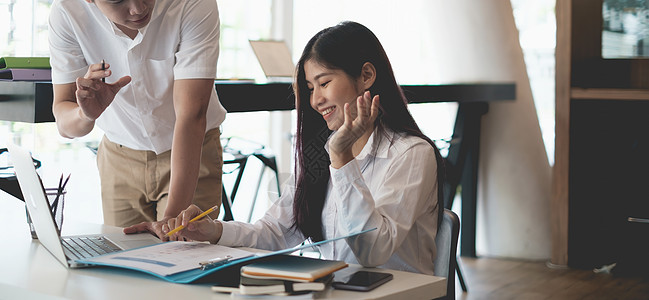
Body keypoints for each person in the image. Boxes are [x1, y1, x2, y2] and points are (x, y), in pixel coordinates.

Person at [126, 21, 445, 274]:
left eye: (324, 83)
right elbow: (274, 233)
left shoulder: (411, 153)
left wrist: (342, 159)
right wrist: (211, 230)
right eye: (309, 88)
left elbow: (373, 252)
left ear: (366, 75)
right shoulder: (323, 152)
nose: (316, 100)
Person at [48, 0, 226, 239]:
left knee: (182, 258)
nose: (138, 9)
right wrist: (86, 113)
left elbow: (191, 114)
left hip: (192, 151)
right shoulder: (67, 13)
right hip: (119, 159)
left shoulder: (192, 3)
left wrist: (168, 223)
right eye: (118, 1)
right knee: (120, 265)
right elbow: (64, 123)